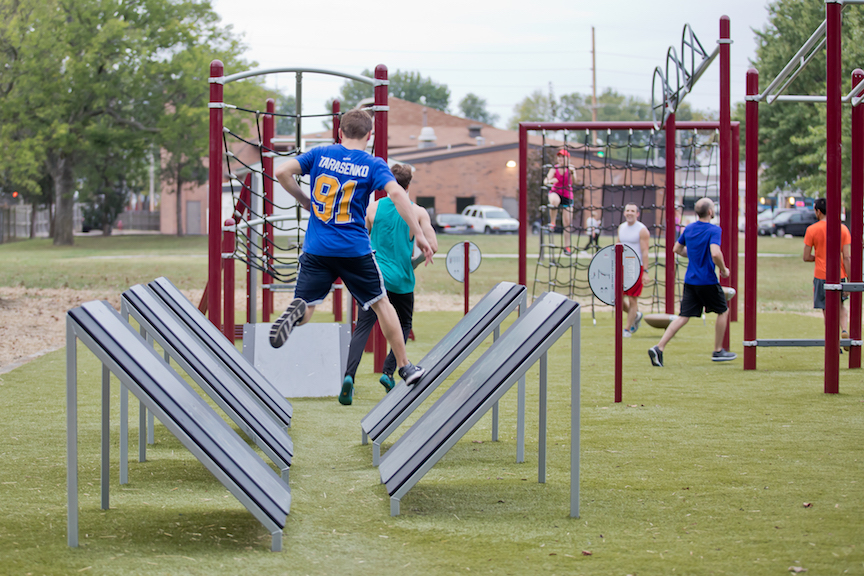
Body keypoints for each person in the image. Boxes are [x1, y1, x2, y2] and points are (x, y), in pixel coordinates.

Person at [270, 108, 434, 391]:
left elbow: (281, 171)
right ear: (369, 136)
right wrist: (418, 233)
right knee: (382, 304)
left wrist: (305, 201)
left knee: (308, 304)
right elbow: (396, 193)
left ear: (339, 132)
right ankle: (405, 367)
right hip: (354, 250)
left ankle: (298, 311)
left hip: (317, 248)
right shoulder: (372, 163)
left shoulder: (320, 154)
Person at [340, 164, 438, 405]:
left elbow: (359, 239)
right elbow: (433, 246)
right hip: (402, 279)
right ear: (409, 185)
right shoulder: (418, 212)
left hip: (374, 277)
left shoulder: (373, 208)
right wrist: (413, 263)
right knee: (403, 324)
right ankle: (388, 372)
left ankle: (349, 376)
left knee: (363, 327)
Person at [647, 197, 735, 366]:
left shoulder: (689, 228)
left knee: (683, 317)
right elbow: (715, 253)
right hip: (707, 280)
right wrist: (724, 270)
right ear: (710, 211)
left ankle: (659, 347)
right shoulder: (714, 230)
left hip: (690, 281)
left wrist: (694, 255)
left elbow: (677, 249)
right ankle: (718, 350)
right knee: (723, 311)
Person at [803, 197, 852, 350]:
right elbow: (847, 257)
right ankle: (844, 330)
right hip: (839, 275)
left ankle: (833, 342)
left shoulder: (812, 229)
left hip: (821, 275)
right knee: (841, 306)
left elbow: (806, 256)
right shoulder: (842, 229)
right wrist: (850, 280)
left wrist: (818, 257)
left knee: (827, 309)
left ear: (818, 211)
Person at [616, 203, 649, 337]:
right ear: (624, 213)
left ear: (637, 214)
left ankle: (627, 329)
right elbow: (617, 245)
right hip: (622, 266)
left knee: (632, 299)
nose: (630, 213)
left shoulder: (642, 230)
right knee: (617, 298)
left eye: (632, 211)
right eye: (627, 210)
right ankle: (635, 315)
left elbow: (645, 251)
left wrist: (645, 271)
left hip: (635, 266)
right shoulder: (621, 227)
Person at [544, 149, 578, 255]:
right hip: (556, 192)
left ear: (567, 158)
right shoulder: (554, 169)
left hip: (567, 195)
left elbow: (575, 181)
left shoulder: (570, 168)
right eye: (559, 156)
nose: (560, 159)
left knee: (567, 223)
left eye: (563, 157)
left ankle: (567, 246)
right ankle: (552, 222)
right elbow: (545, 181)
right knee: (554, 200)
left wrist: (573, 173)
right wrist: (551, 181)